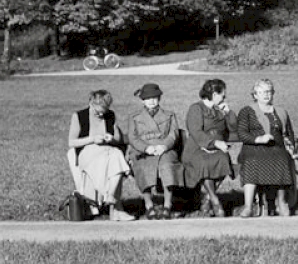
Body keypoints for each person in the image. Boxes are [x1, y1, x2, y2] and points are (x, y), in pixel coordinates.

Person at [67, 89, 135, 221]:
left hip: (106, 151)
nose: (99, 114)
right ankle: (116, 207)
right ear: (90, 103)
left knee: (116, 154)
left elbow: (118, 139)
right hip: (87, 152)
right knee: (112, 157)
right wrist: (92, 139)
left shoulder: (110, 115)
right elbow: (71, 142)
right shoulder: (79, 116)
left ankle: (110, 196)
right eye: (96, 111)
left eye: (103, 111)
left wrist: (112, 139)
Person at [235, 79, 297, 217]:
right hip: (253, 148)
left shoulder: (281, 112)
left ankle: (281, 202)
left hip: (277, 149)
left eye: (269, 91)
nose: (266, 95)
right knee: (251, 161)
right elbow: (242, 133)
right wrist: (258, 139)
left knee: (282, 158)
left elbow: (289, 133)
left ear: (273, 93)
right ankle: (248, 206)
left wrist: (291, 146)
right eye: (262, 92)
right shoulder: (247, 111)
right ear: (255, 95)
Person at [125, 82, 183, 220]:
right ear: (142, 100)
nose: (151, 101)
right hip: (143, 150)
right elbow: (133, 138)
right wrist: (146, 148)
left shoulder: (169, 115)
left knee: (167, 165)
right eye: (147, 98)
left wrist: (164, 146)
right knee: (142, 167)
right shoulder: (134, 117)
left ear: (159, 98)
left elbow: (173, 134)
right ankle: (149, 205)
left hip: (164, 149)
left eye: (154, 98)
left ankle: (167, 205)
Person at [182, 79, 236, 217]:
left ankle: (206, 199)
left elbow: (234, 128)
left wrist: (228, 113)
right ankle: (215, 200)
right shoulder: (196, 108)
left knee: (223, 159)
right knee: (205, 162)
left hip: (216, 148)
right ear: (213, 94)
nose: (224, 97)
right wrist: (213, 143)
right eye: (222, 94)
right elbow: (195, 131)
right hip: (196, 148)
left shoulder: (219, 110)